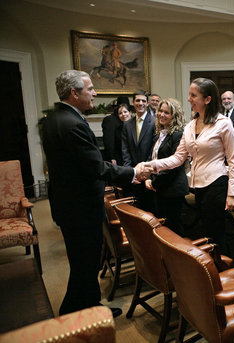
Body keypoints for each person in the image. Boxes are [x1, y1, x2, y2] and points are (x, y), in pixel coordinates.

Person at [42, 70, 150, 317]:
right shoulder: (72, 124)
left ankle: (83, 309)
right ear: (74, 92)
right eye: (90, 88)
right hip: (79, 208)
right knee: (85, 263)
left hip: (69, 204)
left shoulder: (55, 118)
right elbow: (96, 166)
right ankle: (81, 312)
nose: (95, 93)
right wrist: (132, 172)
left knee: (83, 263)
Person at [142, 78, 234, 253]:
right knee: (206, 232)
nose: (189, 99)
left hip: (217, 183)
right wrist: (150, 165)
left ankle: (224, 272)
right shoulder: (190, 126)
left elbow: (233, 159)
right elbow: (178, 158)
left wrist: (232, 193)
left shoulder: (223, 123)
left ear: (207, 99)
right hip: (198, 186)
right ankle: (210, 271)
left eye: (193, 95)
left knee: (216, 233)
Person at [145, 98, 189, 236]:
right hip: (159, 187)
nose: (161, 115)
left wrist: (153, 182)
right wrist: (147, 177)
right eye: (160, 111)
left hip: (172, 188)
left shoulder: (178, 135)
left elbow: (174, 166)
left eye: (166, 112)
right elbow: (153, 158)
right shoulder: (160, 133)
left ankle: (179, 255)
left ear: (174, 116)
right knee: (164, 225)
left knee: (173, 226)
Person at [121, 90, 156, 211]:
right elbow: (125, 149)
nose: (140, 103)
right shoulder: (127, 124)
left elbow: (154, 148)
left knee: (150, 209)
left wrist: (145, 171)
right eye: (138, 100)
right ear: (133, 102)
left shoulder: (154, 122)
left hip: (149, 174)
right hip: (133, 174)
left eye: (143, 101)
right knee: (136, 209)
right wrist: (131, 171)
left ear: (147, 103)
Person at [102, 100, 131, 165]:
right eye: (120, 113)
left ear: (130, 113)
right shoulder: (118, 128)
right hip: (121, 159)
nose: (123, 114)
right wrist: (112, 157)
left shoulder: (136, 126)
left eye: (125, 112)